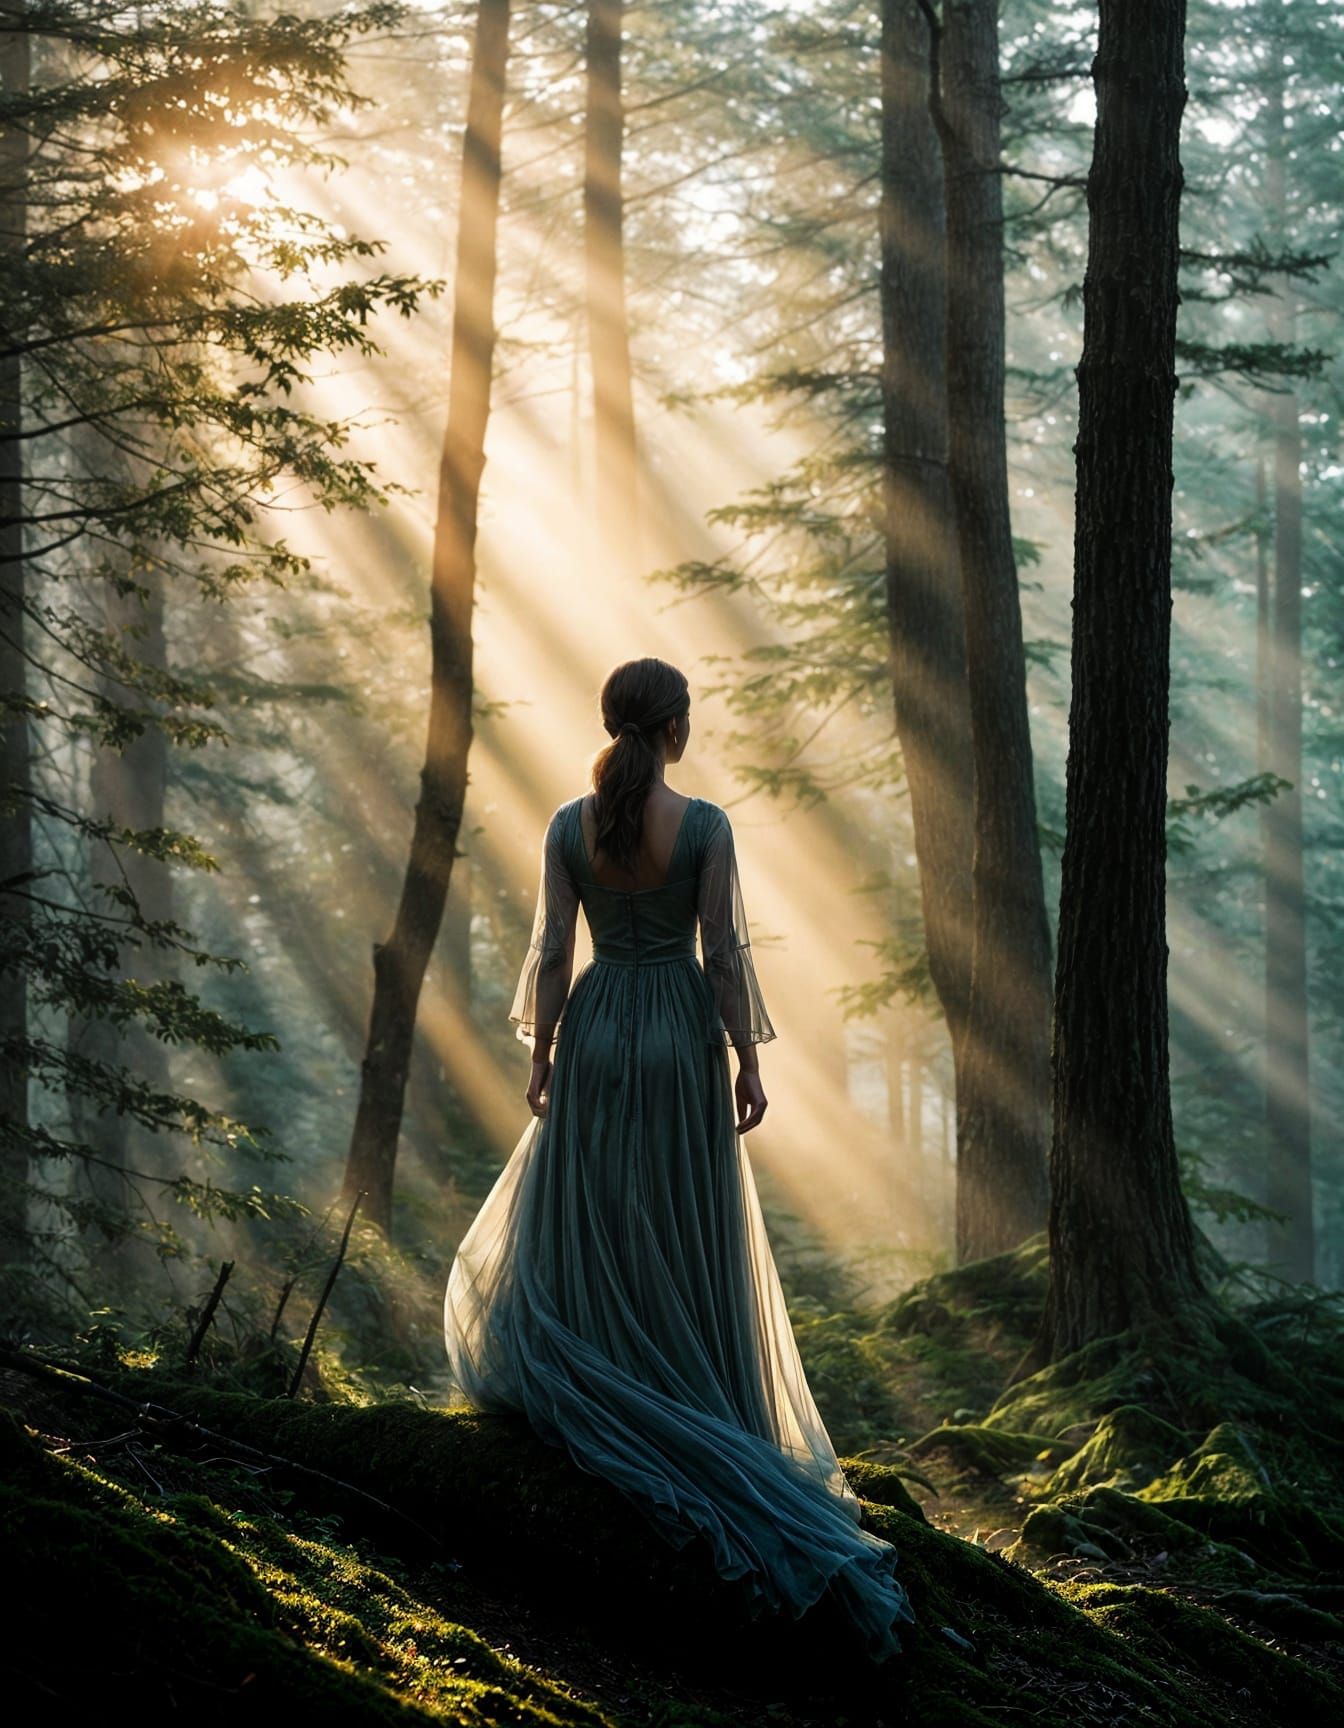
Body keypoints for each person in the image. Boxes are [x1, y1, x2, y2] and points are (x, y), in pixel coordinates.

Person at [444, 656, 915, 1660]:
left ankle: (607, 1368)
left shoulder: (569, 826)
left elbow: (555, 953)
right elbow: (725, 952)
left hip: (602, 1027)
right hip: (676, 1037)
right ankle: (695, 1395)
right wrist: (748, 1059)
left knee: (600, 1211)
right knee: (681, 1218)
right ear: (674, 729)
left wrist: (542, 1057)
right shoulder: (703, 827)